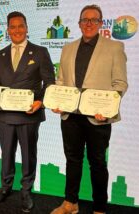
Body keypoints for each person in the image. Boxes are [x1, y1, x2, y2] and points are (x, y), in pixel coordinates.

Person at [50, 5, 128, 214]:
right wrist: (58, 100)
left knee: (97, 164)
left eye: (94, 20)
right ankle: (70, 203)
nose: (89, 23)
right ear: (79, 23)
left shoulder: (114, 47)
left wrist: (109, 109)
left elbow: (120, 84)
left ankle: (100, 208)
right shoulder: (68, 48)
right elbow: (61, 80)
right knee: (72, 160)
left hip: (98, 117)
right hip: (71, 116)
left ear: (101, 23)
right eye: (85, 20)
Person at [0, 11, 55, 213]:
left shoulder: (40, 51)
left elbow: (50, 83)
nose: (17, 30)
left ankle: (26, 190)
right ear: (8, 30)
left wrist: (40, 102)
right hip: (6, 115)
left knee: (29, 154)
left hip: (29, 114)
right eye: (13, 27)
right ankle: (5, 187)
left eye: (20, 26)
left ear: (26, 28)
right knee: (6, 153)